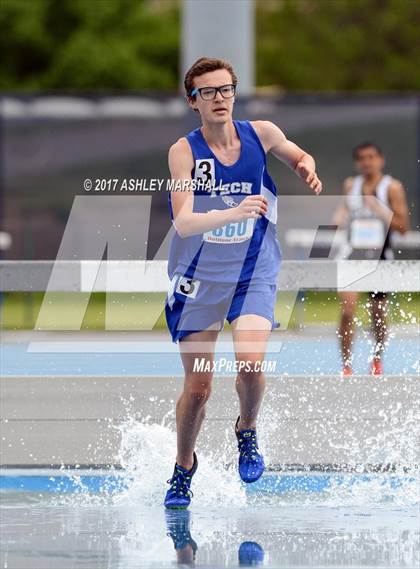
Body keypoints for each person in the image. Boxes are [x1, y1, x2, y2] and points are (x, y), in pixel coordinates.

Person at [164, 57, 322, 509]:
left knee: (251, 362)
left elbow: (296, 152)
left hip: (253, 270)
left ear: (235, 92)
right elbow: (184, 222)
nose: (219, 98)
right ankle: (183, 466)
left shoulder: (261, 133)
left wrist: (304, 167)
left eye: (226, 89)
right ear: (193, 101)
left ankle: (246, 429)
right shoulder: (185, 151)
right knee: (198, 389)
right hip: (199, 278)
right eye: (208, 92)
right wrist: (233, 211)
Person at [333, 142, 409, 376]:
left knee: (377, 312)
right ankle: (346, 364)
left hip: (379, 257)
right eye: (362, 158)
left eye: (371, 157)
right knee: (347, 310)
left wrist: (378, 209)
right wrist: (338, 219)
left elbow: (403, 227)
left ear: (380, 159)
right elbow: (342, 213)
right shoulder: (351, 185)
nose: (367, 162)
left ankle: (377, 357)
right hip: (352, 255)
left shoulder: (392, 187)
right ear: (357, 162)